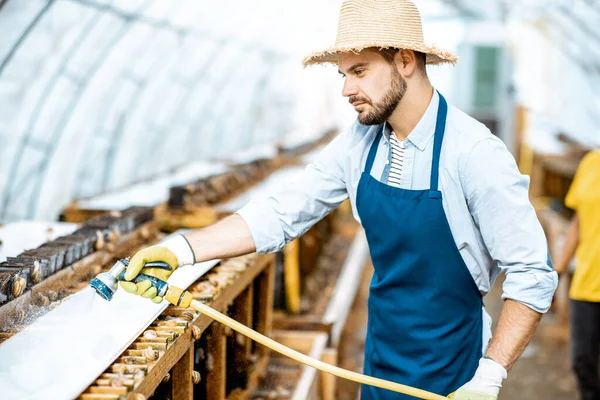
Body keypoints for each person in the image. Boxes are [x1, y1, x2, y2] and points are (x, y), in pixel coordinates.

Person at [121, 1, 558, 398]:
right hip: (382, 355)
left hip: (453, 368)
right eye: (343, 74)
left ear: (405, 60)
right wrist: (181, 249)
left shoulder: (473, 153)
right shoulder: (362, 141)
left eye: (360, 71)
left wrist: (488, 378)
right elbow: (282, 212)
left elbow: (532, 274)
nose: (346, 89)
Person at [555, 150, 600, 400]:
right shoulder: (591, 162)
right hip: (586, 286)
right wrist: (559, 269)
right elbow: (578, 222)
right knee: (583, 362)